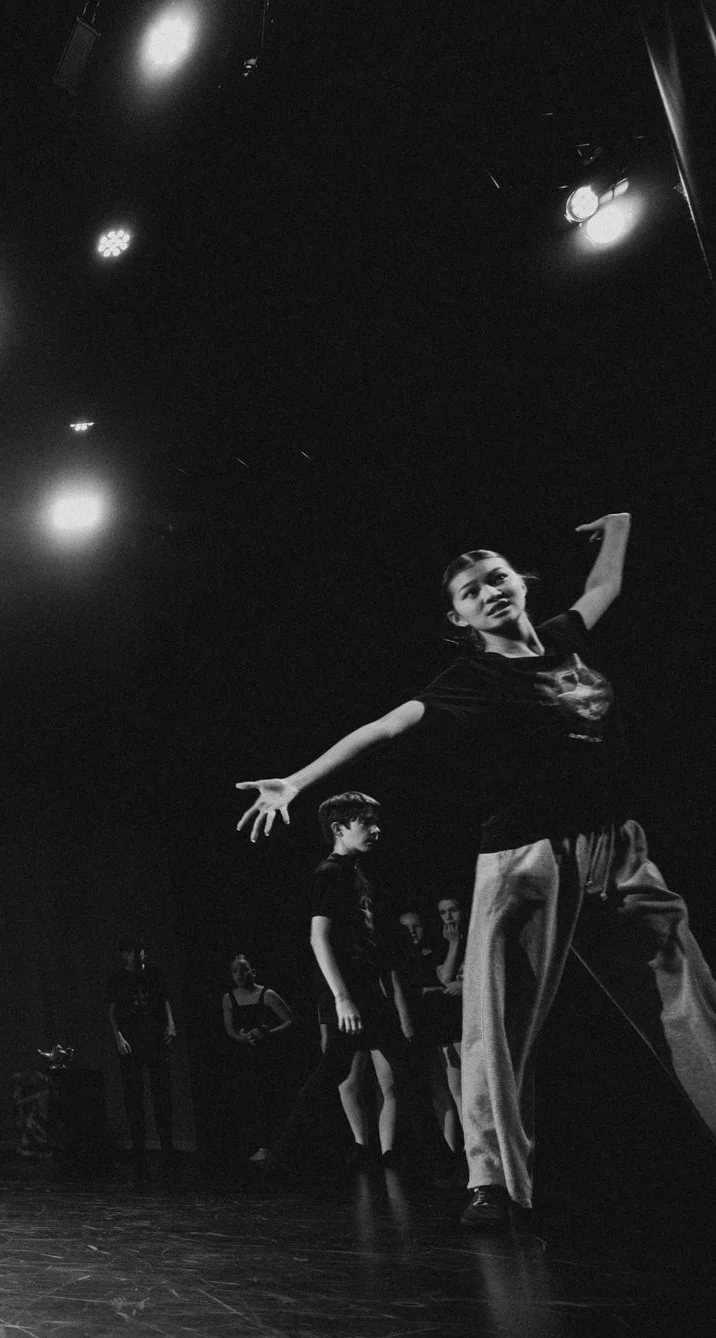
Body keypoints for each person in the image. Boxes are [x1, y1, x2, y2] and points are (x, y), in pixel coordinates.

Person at [237, 514, 716, 1226]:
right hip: (526, 856)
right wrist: (297, 782)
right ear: (458, 617)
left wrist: (619, 526)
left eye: (497, 578)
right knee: (496, 1023)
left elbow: (605, 586)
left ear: (520, 583)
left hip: (617, 846)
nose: (489, 591)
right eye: (471, 591)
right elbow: (384, 727)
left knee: (687, 993)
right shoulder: (471, 676)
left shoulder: (564, 637)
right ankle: (490, 1181)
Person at [253, 794, 410, 1173]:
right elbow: (318, 937)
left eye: (376, 821)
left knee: (402, 1069)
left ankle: (435, 1159)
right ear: (339, 830)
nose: (376, 829)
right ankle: (281, 1155)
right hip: (350, 996)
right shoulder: (329, 873)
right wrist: (341, 998)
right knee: (334, 1073)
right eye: (365, 822)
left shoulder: (356, 873)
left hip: (369, 993)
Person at [397, 905, 464, 1163]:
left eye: (417, 926)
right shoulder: (398, 959)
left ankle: (464, 1150)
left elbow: (444, 977)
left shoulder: (435, 950)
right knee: (437, 1093)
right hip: (418, 1029)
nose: (412, 932)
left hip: (443, 1025)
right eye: (406, 928)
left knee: (456, 1090)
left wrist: (431, 990)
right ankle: (447, 1152)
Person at [106, 934, 180, 1160]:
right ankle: (139, 1145)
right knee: (134, 1095)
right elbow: (112, 1011)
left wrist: (171, 1024)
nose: (137, 955)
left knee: (162, 1093)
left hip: (156, 1039)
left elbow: (164, 999)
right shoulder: (117, 979)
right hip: (132, 1041)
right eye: (132, 951)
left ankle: (167, 1144)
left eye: (140, 950)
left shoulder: (154, 974)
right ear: (124, 954)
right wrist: (119, 1037)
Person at [218, 954, 294, 1163]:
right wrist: (242, 1037)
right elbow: (230, 1029)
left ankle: (273, 1146)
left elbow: (289, 1020)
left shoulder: (267, 995)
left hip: (268, 1056)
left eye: (244, 969)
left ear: (253, 972)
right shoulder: (228, 998)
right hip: (244, 1057)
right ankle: (255, 1145)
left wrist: (267, 1034)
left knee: (270, 1098)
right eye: (235, 971)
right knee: (249, 1100)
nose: (240, 974)